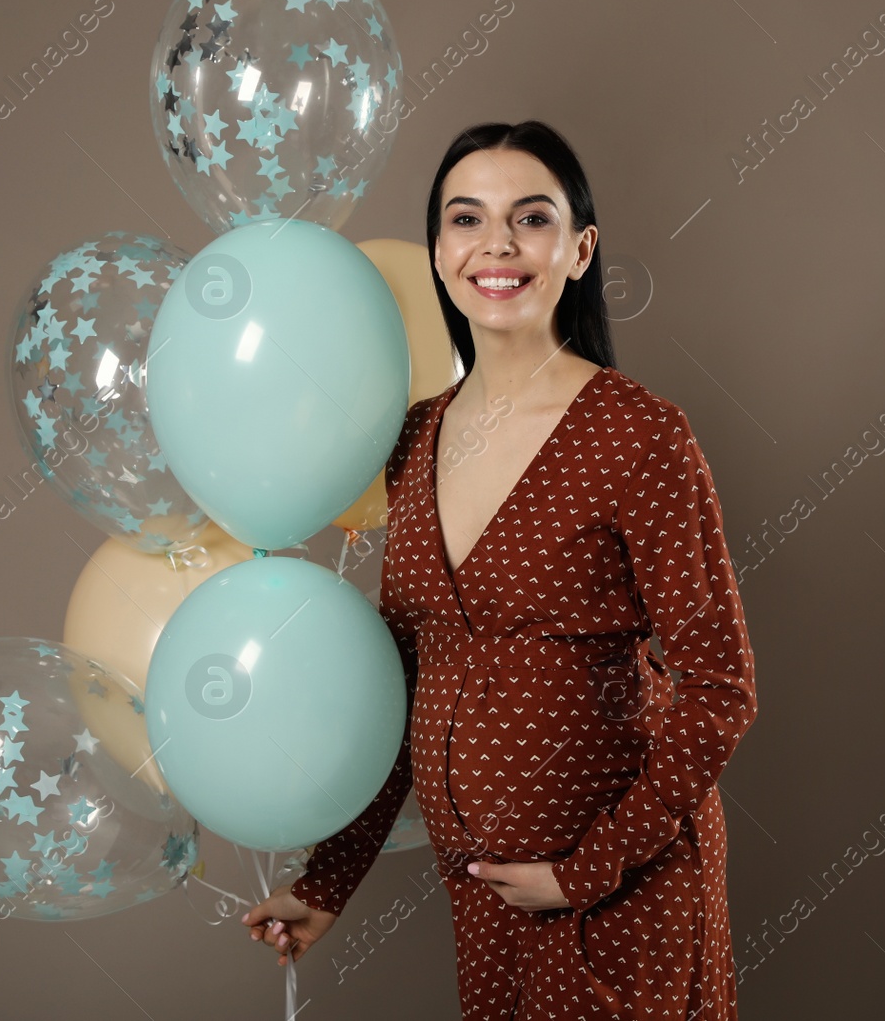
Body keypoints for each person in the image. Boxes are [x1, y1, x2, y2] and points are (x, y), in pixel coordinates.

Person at [240, 120, 759, 1020]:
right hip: (483, 901)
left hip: (619, 897)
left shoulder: (640, 435)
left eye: (531, 218)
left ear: (579, 249)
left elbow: (721, 688)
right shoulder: (413, 438)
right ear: (440, 252)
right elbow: (399, 682)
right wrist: (327, 883)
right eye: (467, 218)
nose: (498, 245)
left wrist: (583, 870)